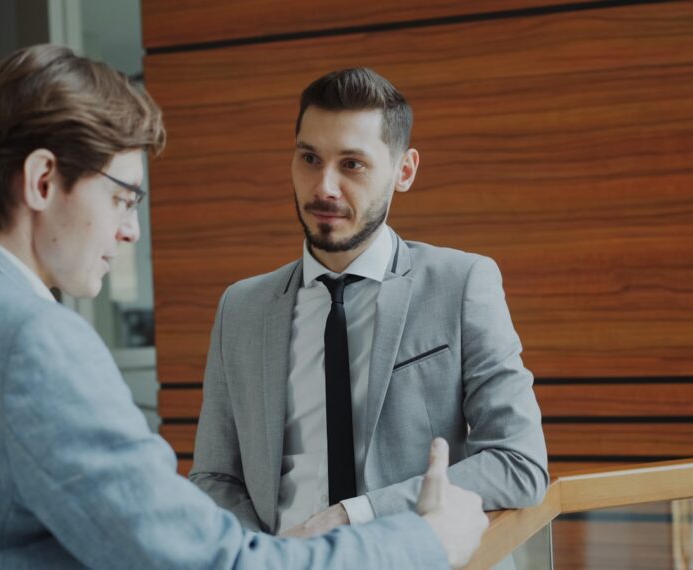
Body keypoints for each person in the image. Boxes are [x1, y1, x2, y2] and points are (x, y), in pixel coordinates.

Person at [0, 46, 488, 569]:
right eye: (121, 197)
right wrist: (427, 542)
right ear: (43, 180)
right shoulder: (33, 344)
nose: (131, 232)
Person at [190, 67, 549, 538]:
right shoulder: (241, 307)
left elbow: (519, 464)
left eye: (352, 164)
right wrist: (268, 557)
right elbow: (215, 477)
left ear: (404, 171)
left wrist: (351, 515)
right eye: (310, 158)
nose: (325, 188)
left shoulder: (462, 284)